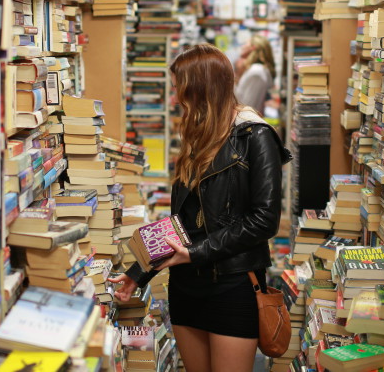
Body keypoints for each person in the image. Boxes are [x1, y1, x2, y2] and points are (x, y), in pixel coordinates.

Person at [108, 44, 291, 372]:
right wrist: (140, 272)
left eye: (180, 88)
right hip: (185, 286)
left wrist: (196, 252)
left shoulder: (255, 136)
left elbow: (264, 221)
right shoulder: (197, 135)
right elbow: (181, 223)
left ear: (201, 88)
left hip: (232, 284)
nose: (176, 97)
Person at [233, 34, 276, 115]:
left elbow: (247, 107)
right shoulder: (255, 69)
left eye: (246, 44)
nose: (242, 46)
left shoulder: (256, 71)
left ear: (253, 48)